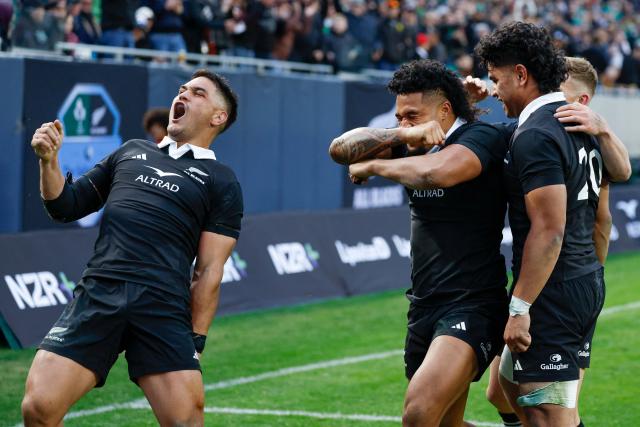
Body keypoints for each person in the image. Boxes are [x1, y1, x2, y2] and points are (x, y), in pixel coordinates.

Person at [21, 69, 242, 427]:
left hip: (162, 304)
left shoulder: (222, 181)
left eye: (198, 93)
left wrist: (196, 342)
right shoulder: (130, 152)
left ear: (219, 117)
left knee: (185, 421)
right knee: (38, 408)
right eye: (182, 89)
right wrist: (49, 161)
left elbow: (209, 270)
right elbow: (65, 206)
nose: (182, 95)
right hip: (99, 292)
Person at [329, 59, 509, 427]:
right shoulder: (409, 144)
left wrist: (375, 166)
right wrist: (403, 136)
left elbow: (436, 172)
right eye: (398, 116)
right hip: (424, 303)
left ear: (445, 110)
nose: (403, 122)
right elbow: (340, 149)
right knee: (444, 423)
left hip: (472, 303)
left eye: (412, 115)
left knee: (419, 413)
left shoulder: (479, 137)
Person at [473, 21, 629, 426]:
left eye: (497, 80)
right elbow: (605, 211)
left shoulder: (538, 134)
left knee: (546, 415)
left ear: (521, 75)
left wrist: (521, 307)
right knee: (504, 387)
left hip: (554, 289)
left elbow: (550, 229)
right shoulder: (579, 125)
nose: (494, 90)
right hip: (578, 279)